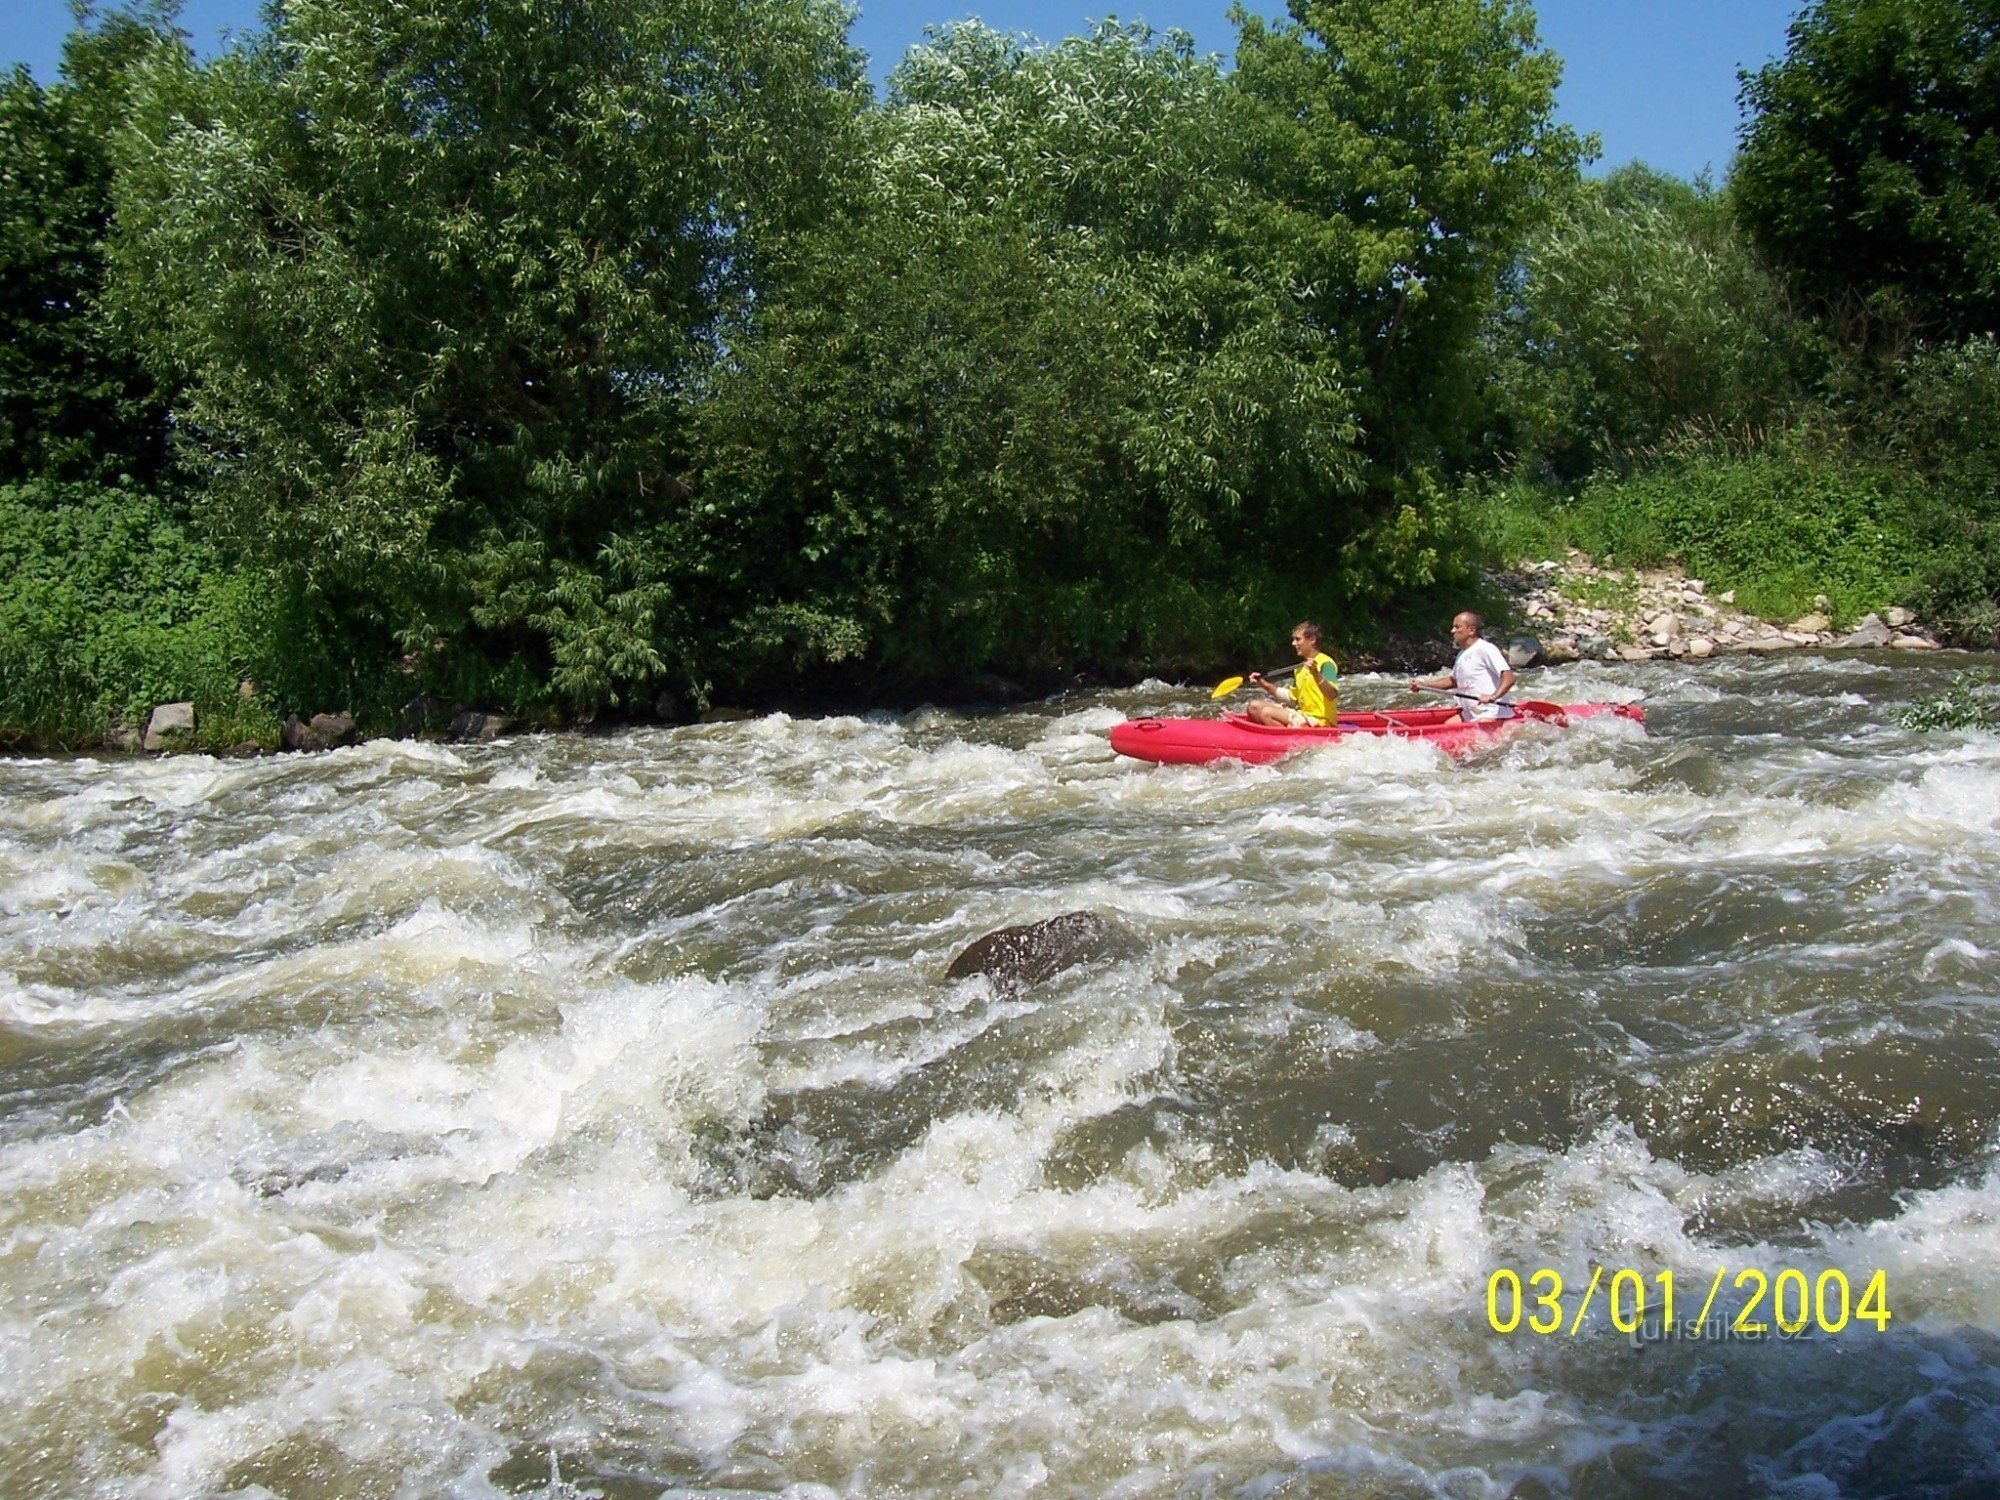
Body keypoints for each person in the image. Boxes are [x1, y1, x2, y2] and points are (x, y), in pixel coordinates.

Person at [1409, 611, 1515, 721]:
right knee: (1446, 728)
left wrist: (1493, 697)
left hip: (1490, 714)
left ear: (1471, 630)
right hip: (1470, 714)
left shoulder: (1486, 649)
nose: (1452, 631)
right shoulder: (1462, 653)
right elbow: (1453, 681)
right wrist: (1424, 685)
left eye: (1457, 627)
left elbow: (1509, 677)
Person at [1246, 621, 1339, 727]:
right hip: (1303, 715)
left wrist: (1315, 674)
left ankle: (1284, 738)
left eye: (1298, 639)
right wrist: (1264, 684)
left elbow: (1332, 694)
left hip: (1321, 722)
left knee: (1266, 713)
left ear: (1312, 640)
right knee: (1253, 707)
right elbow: (1293, 699)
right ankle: (1282, 731)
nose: (1293, 643)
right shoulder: (1299, 668)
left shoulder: (1326, 664)